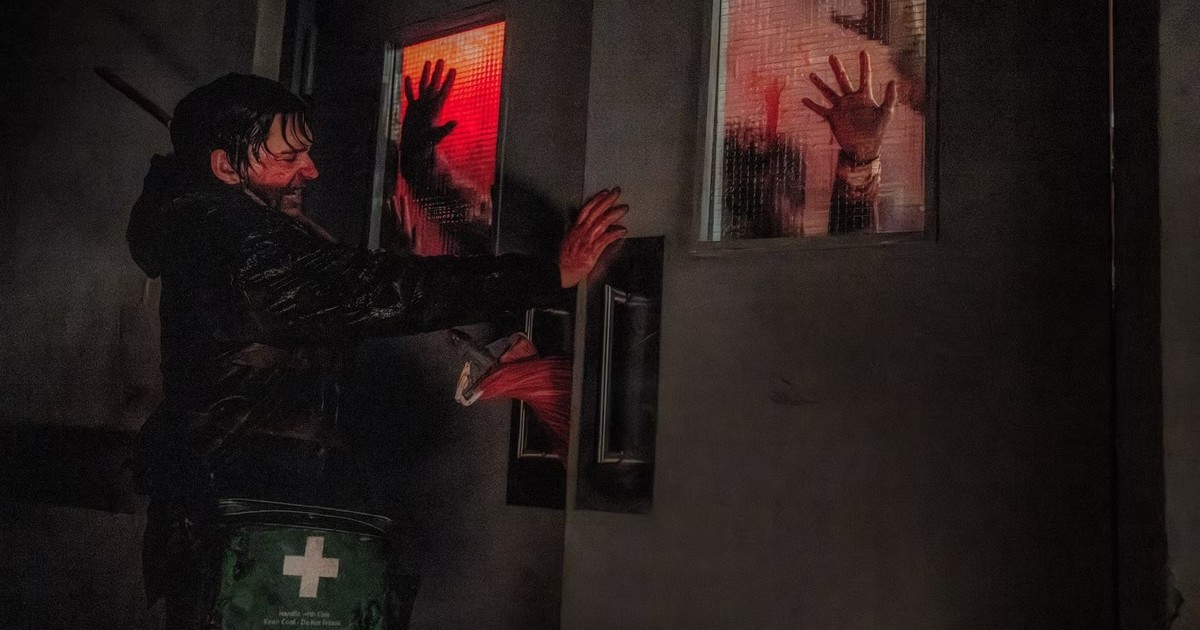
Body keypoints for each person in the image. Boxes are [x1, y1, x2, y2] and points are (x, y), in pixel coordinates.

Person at [126, 71, 627, 628]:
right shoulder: (244, 251)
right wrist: (550, 274)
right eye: (288, 158)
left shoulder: (213, 230)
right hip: (254, 526)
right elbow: (387, 290)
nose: (310, 171)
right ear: (225, 168)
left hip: (240, 518)